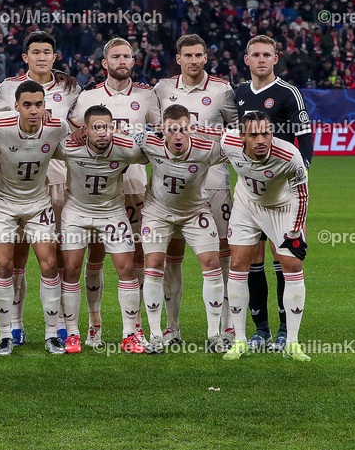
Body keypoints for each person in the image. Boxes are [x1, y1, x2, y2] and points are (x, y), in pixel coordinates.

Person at [0, 31, 79, 345]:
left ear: (54, 56)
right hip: (13, 175)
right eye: (35, 52)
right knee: (15, 258)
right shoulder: (8, 87)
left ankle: (60, 325)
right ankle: (15, 327)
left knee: (57, 257)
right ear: (26, 57)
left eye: (47, 52)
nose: (41, 57)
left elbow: (76, 130)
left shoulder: (69, 86)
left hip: (58, 177)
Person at [70, 38, 159, 347]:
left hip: (135, 186)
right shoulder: (89, 97)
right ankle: (94, 321)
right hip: (95, 189)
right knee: (93, 256)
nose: (123, 60)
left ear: (133, 61)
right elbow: (75, 135)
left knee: (133, 258)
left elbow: (160, 136)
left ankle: (134, 327)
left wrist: (145, 137)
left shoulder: (148, 96)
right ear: (104, 63)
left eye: (128, 56)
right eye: (116, 56)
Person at [153, 34, 238, 344]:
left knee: (222, 252)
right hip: (174, 184)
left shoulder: (221, 90)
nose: (193, 60)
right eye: (187, 55)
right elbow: (154, 127)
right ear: (178, 59)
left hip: (214, 181)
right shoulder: (163, 89)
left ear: (206, 58)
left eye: (198, 55)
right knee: (172, 254)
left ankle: (225, 327)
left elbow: (237, 131)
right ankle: (171, 328)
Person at [233, 35, 313, 351]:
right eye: (256, 54)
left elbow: (304, 136)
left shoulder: (287, 94)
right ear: (247, 60)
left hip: (282, 194)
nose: (262, 59)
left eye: (268, 54)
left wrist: (302, 171)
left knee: (284, 259)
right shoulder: (238, 94)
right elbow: (230, 136)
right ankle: (260, 330)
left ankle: (284, 332)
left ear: (276, 58)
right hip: (251, 193)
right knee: (251, 259)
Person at [133, 104, 231, 353]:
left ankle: (214, 335)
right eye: (172, 130)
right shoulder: (148, 142)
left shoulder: (207, 148)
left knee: (211, 262)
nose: (178, 136)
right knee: (154, 263)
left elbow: (240, 145)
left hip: (195, 212)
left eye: (183, 130)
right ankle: (157, 335)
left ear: (192, 129)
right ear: (162, 130)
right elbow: (119, 138)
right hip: (158, 213)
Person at [217, 111, 311, 361]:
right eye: (254, 134)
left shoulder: (289, 154)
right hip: (247, 205)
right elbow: (204, 139)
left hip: (283, 207)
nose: (261, 139)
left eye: (266, 133)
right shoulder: (228, 142)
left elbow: (302, 194)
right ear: (242, 137)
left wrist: (295, 233)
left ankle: (292, 341)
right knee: (237, 263)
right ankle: (239, 340)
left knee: (292, 264)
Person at [56, 105, 148, 353]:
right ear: (85, 130)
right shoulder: (67, 147)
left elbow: (156, 152)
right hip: (76, 212)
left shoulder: (125, 149)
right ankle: (73, 334)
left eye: (107, 126)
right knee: (72, 269)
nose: (103, 132)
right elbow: (35, 150)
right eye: (96, 127)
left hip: (112, 213)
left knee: (127, 268)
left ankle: (130, 334)